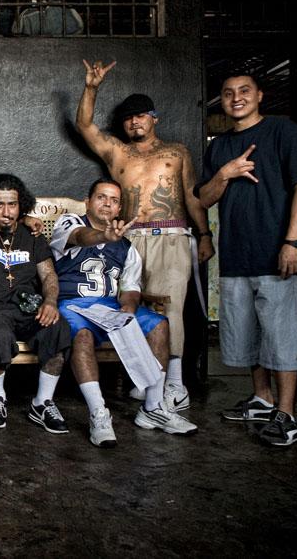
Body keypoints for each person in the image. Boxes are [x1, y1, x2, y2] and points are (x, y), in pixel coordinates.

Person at [75, 59, 214, 409]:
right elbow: (85, 126)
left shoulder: (177, 152)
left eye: (141, 115)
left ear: (154, 118)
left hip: (172, 236)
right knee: (130, 307)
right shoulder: (117, 152)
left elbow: (192, 195)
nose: (134, 122)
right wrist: (91, 87)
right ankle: (147, 377)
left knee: (172, 310)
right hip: (129, 238)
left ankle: (174, 384)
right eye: (128, 117)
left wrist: (205, 234)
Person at [197, 74, 297, 447]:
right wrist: (226, 173)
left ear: (259, 96)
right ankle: (262, 398)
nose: (236, 98)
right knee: (250, 335)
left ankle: (286, 413)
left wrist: (294, 241)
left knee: (282, 336)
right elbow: (203, 198)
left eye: (244, 91)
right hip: (237, 255)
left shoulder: (284, 132)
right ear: (221, 100)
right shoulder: (219, 146)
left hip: (279, 253)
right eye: (228, 93)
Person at [51, 178, 197, 447]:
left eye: (114, 200)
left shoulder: (126, 247)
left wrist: (127, 310)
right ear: (88, 201)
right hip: (72, 304)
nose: (107, 204)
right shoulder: (70, 222)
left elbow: (130, 288)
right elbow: (79, 237)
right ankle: (98, 413)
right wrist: (104, 236)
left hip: (109, 307)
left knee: (159, 324)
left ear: (119, 209)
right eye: (101, 197)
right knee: (81, 336)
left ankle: (153, 407)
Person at [0, 174, 72, 433]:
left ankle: (42, 402)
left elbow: (48, 275)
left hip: (26, 307)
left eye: (12, 204)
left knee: (57, 327)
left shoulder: (32, 235)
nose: (5, 211)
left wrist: (50, 301)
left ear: (21, 205)